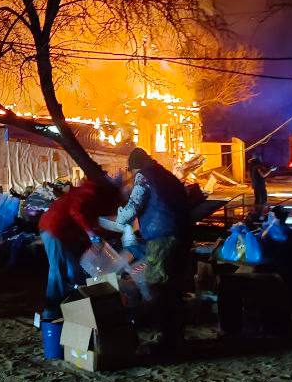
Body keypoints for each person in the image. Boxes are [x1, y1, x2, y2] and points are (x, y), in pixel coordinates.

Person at [116, 148, 191, 351]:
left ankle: (165, 339)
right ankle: (176, 336)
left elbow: (133, 206)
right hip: (181, 235)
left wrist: (120, 217)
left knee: (158, 285)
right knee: (174, 287)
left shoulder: (144, 176)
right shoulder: (166, 175)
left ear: (133, 167)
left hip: (162, 237)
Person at [38, 175, 121, 320]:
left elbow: (90, 219)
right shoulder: (89, 193)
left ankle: (73, 306)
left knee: (73, 269)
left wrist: (96, 235)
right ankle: (50, 310)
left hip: (63, 231)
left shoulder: (92, 195)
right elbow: (76, 212)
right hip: (54, 228)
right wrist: (90, 234)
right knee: (58, 269)